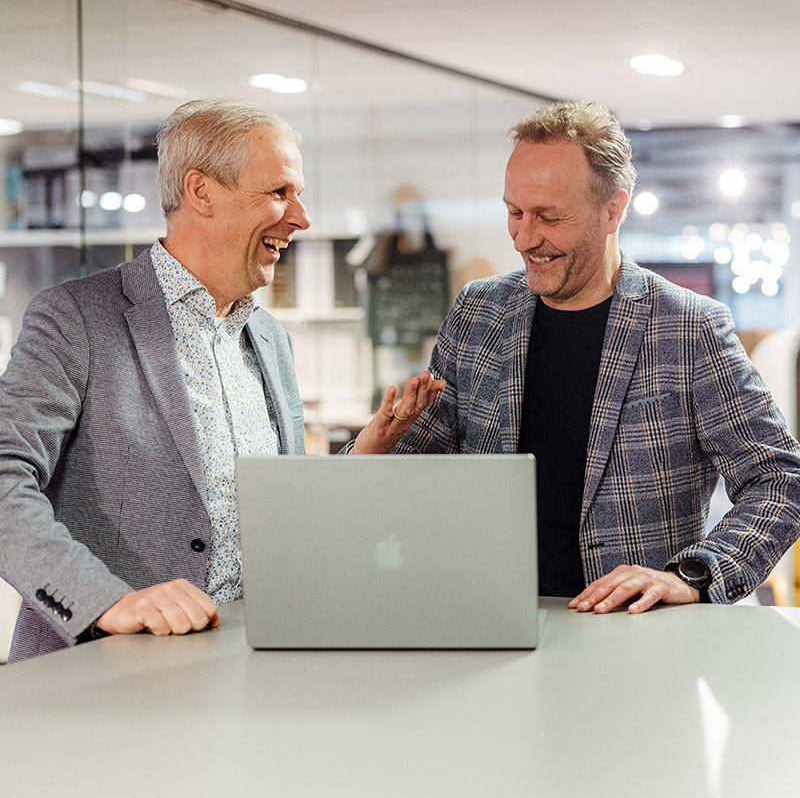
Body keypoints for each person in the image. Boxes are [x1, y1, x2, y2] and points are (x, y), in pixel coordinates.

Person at [0, 97, 441, 662]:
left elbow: (279, 513)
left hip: (239, 666)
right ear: (201, 191)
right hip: (100, 673)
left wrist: (364, 453)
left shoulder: (269, 339)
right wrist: (107, 602)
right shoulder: (77, 318)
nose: (301, 218)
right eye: (279, 192)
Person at [355, 100, 800, 614]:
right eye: (514, 212)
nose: (524, 238)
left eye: (549, 217)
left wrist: (694, 575)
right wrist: (373, 449)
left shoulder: (687, 327)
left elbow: (779, 479)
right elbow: (419, 472)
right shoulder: (479, 313)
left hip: (635, 634)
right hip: (491, 619)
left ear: (613, 210)